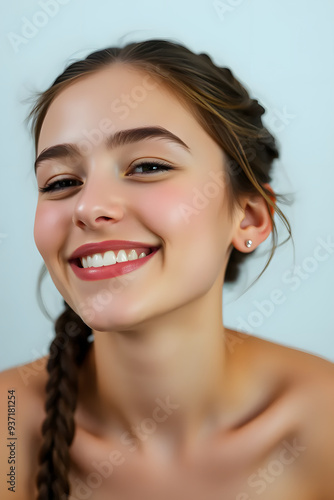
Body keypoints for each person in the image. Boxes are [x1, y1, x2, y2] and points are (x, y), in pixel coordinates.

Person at [0, 39, 333, 500]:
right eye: (62, 182)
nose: (89, 206)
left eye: (148, 166)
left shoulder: (326, 421)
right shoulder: (7, 425)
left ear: (250, 217)